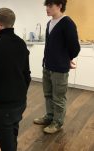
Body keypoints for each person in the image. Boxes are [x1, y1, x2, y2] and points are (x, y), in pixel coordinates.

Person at [0, 8, 31, 151]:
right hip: (20, 103)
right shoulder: (21, 43)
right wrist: (21, 94)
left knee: (6, 143)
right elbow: (26, 75)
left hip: (1, 107)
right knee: (12, 134)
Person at [33, 0, 80, 134]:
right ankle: (49, 116)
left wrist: (67, 59)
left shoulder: (67, 23)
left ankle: (57, 122)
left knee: (58, 97)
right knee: (48, 94)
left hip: (59, 68)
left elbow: (75, 47)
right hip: (47, 65)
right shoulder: (49, 23)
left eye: (50, 5)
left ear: (59, 6)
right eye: (46, 6)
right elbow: (50, 47)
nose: (47, 8)